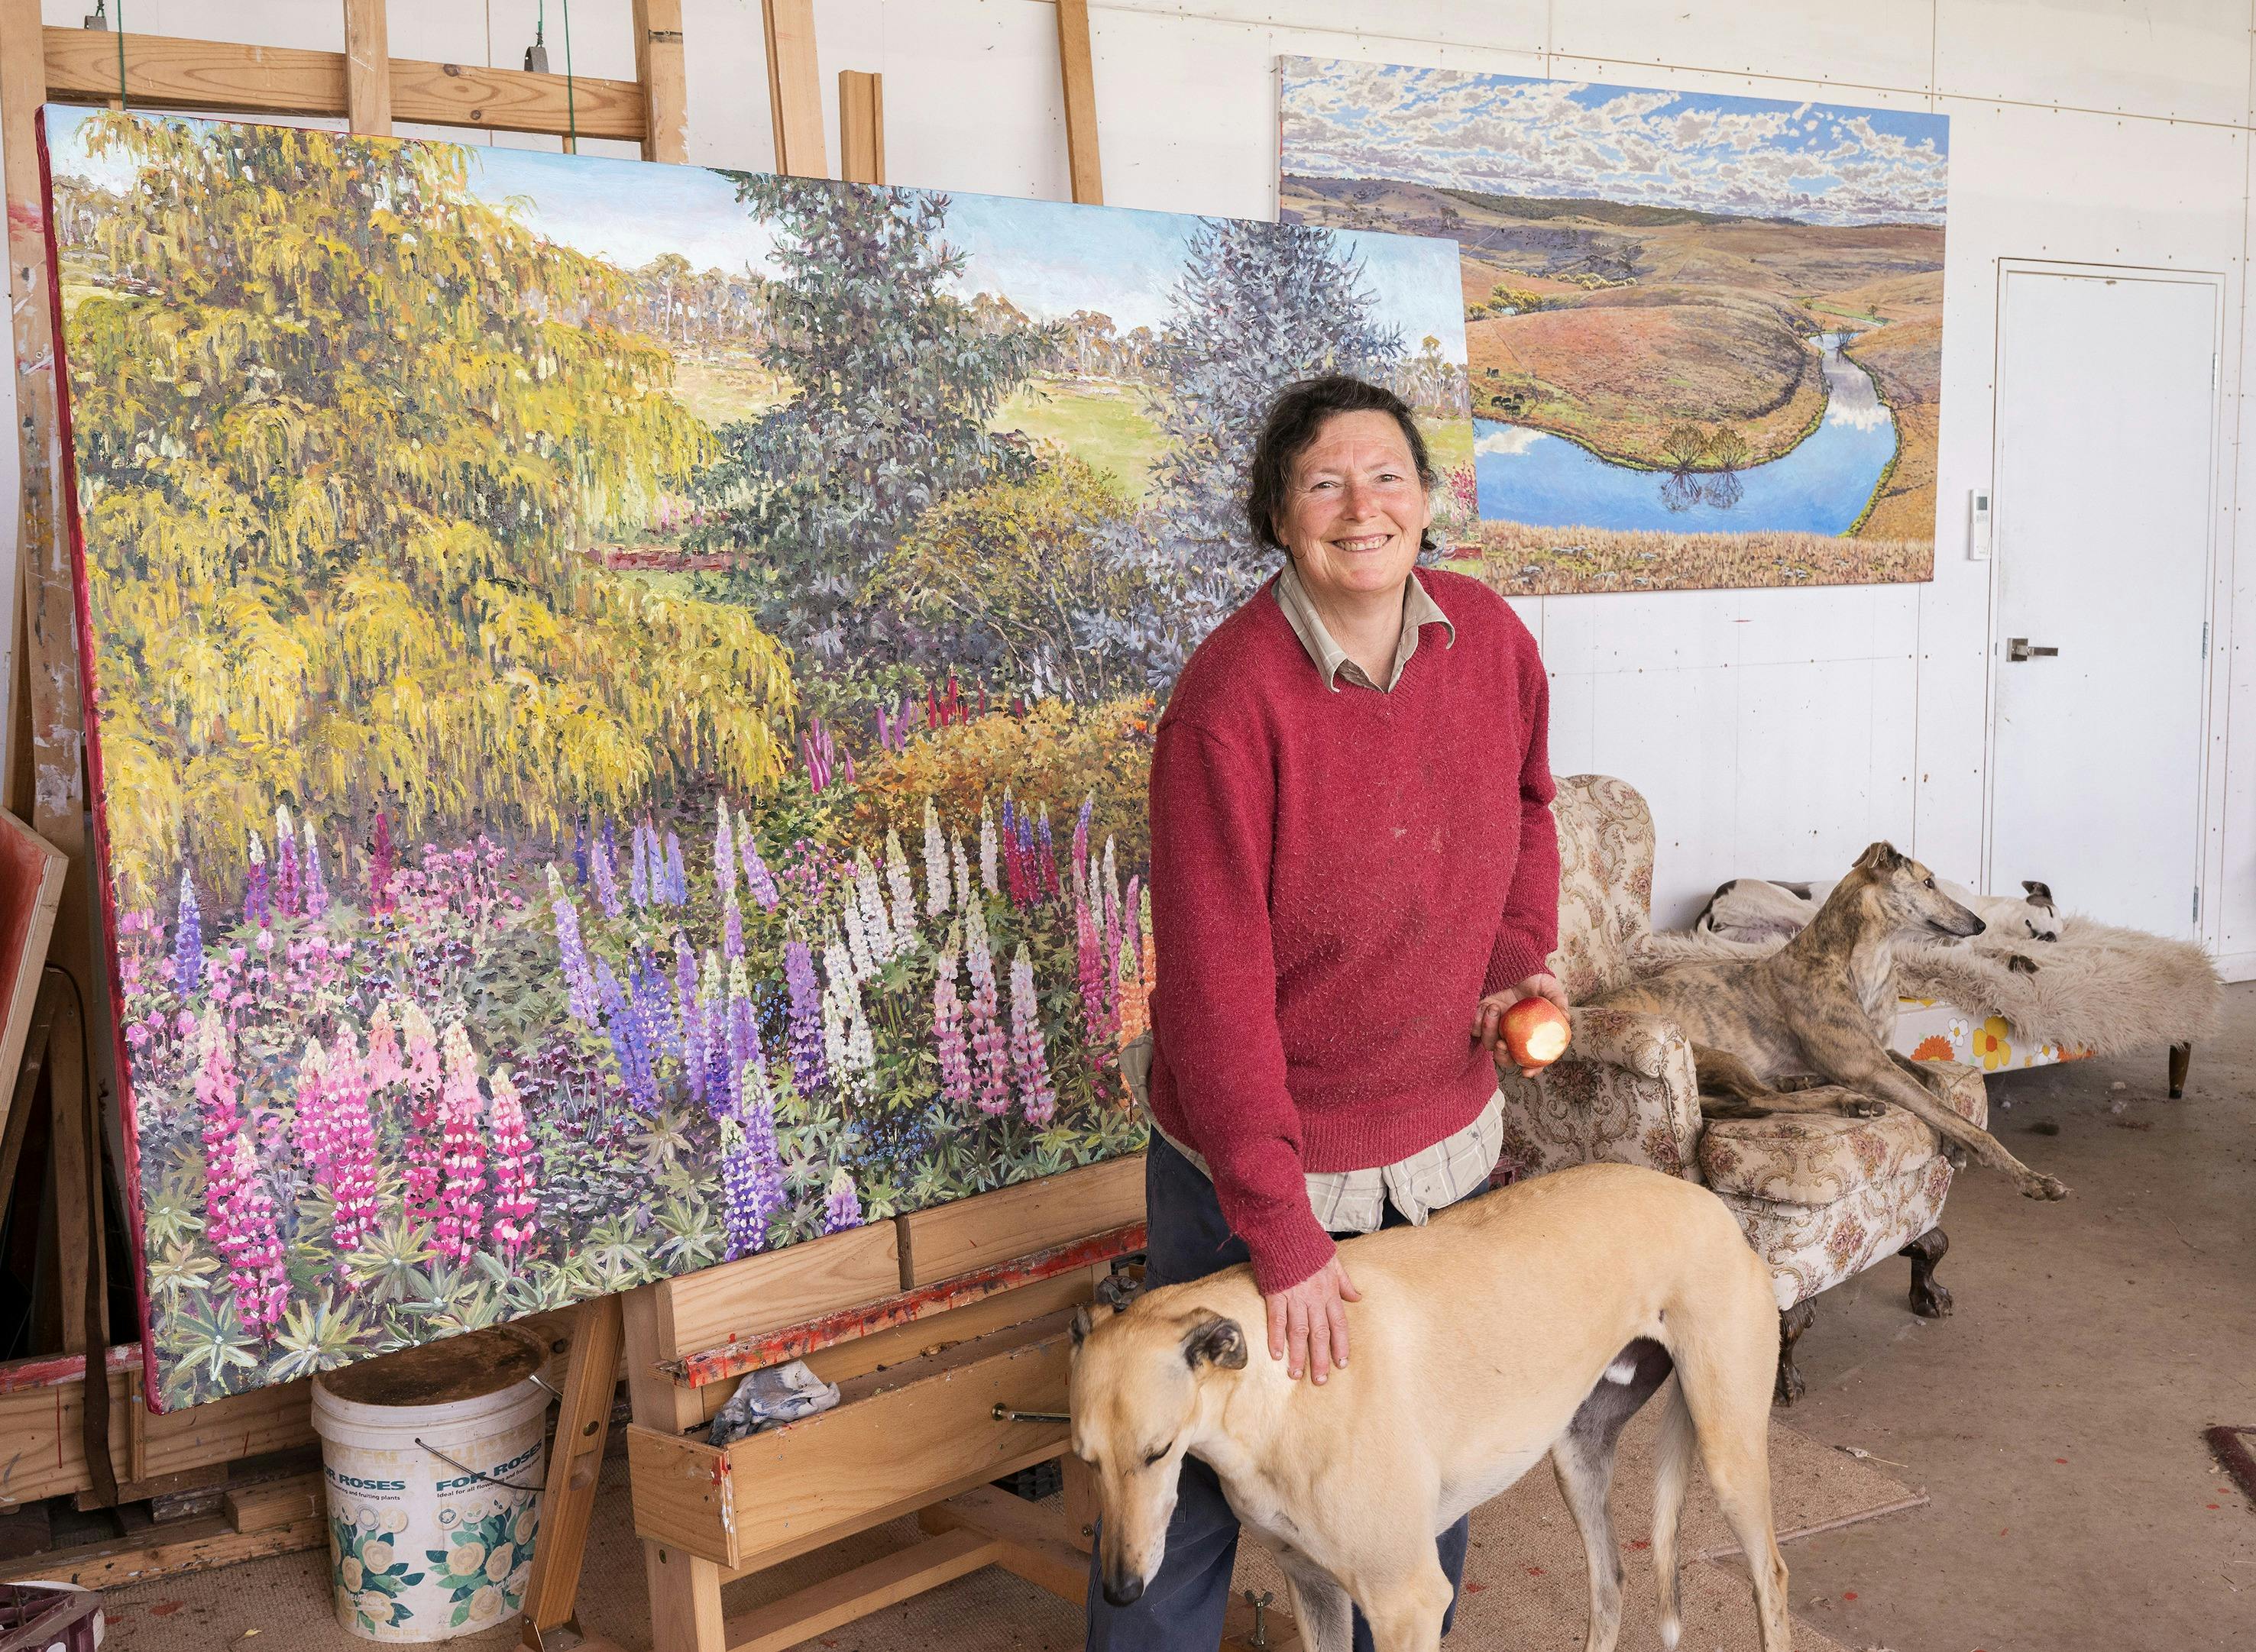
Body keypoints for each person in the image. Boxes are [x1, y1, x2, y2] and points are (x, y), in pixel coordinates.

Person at [1086, 374, 1566, 1651]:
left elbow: (1528, 807)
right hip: (1259, 1159)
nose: (1364, 508)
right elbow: (1210, 989)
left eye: (1388, 477)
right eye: (1323, 483)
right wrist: (1280, 1230)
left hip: (1440, 1136)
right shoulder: (1228, 702)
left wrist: (1514, 953)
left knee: (1416, 1457)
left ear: (1427, 500)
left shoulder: (1486, 636)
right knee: (1180, 1478)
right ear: (1277, 517)